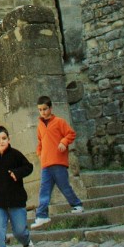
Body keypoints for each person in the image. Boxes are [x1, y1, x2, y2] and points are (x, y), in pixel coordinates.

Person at [32, 95, 84, 227]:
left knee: (64, 186)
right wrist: (40, 153)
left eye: (45, 109)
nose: (43, 112)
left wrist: (63, 142)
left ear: (50, 108)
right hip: (46, 164)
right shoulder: (40, 126)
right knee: (44, 190)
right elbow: (40, 142)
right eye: (40, 110)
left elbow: (70, 134)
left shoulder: (59, 122)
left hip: (58, 162)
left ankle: (77, 205)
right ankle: (42, 215)